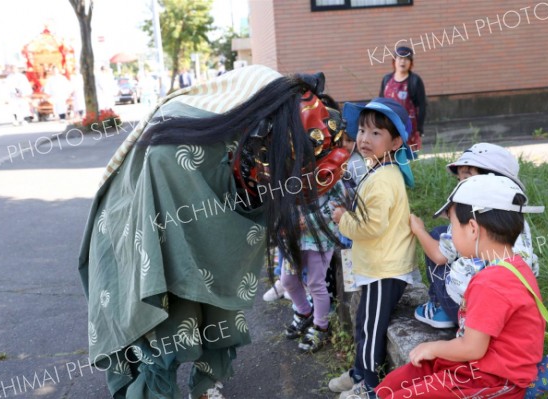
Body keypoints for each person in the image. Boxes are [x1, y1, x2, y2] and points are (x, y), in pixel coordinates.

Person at [78, 65, 351, 399]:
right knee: (166, 320)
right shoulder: (178, 145)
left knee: (216, 303)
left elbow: (258, 193)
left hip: (205, 219)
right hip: (152, 230)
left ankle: (207, 384)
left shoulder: (262, 122)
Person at [376, 174, 546, 399]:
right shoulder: (516, 266)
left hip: (491, 379)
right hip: (476, 366)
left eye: (453, 225)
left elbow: (472, 348)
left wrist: (433, 347)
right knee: (394, 383)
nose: (451, 233)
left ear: (473, 228)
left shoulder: (492, 282)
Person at [330, 98, 417, 399]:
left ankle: (367, 385)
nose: (365, 138)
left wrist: (344, 219)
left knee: (370, 328)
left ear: (394, 142)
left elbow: (371, 227)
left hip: (385, 268)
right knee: (363, 323)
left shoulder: (382, 179)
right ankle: (358, 373)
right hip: (379, 265)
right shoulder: (379, 169)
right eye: (363, 130)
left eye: (376, 133)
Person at [411, 143, 539, 329]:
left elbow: (440, 256)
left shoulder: (468, 217)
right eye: (459, 180)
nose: (460, 186)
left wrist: (419, 230)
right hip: (509, 310)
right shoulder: (516, 218)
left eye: (467, 179)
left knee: (437, 234)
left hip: (469, 313)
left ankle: (440, 307)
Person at [281, 182, 345, 353]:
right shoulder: (289, 172)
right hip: (294, 237)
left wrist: (308, 220)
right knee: (287, 280)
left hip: (320, 238)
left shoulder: (328, 169)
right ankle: (304, 312)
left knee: (316, 283)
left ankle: (321, 326)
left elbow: (338, 201)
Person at [379, 46, 426, 150]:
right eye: (400, 58)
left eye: (406, 59)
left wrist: (419, 128)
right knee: (390, 153)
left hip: (409, 128)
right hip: (389, 125)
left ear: (411, 63)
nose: (402, 62)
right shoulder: (387, 79)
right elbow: (380, 103)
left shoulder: (415, 80)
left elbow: (422, 105)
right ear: (394, 61)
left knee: (409, 157)